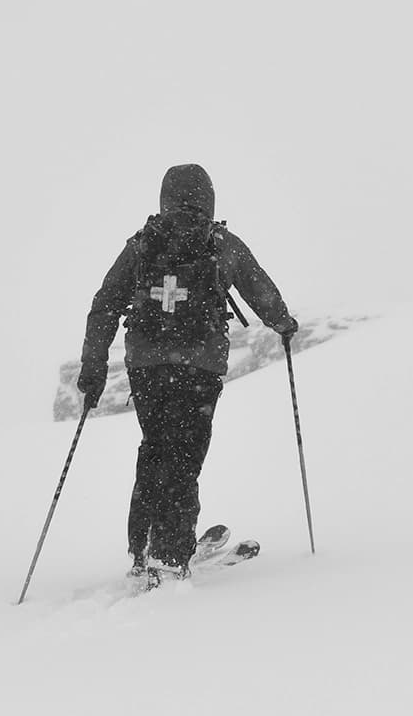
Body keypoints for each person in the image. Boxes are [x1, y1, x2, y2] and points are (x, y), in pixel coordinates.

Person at [76, 164, 297, 583]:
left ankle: (142, 546)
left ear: (164, 198)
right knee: (184, 455)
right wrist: (283, 323)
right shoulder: (221, 243)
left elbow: (104, 304)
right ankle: (171, 554)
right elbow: (259, 289)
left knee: (155, 446)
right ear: (209, 198)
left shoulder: (142, 244)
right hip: (199, 367)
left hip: (147, 366)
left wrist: (94, 370)